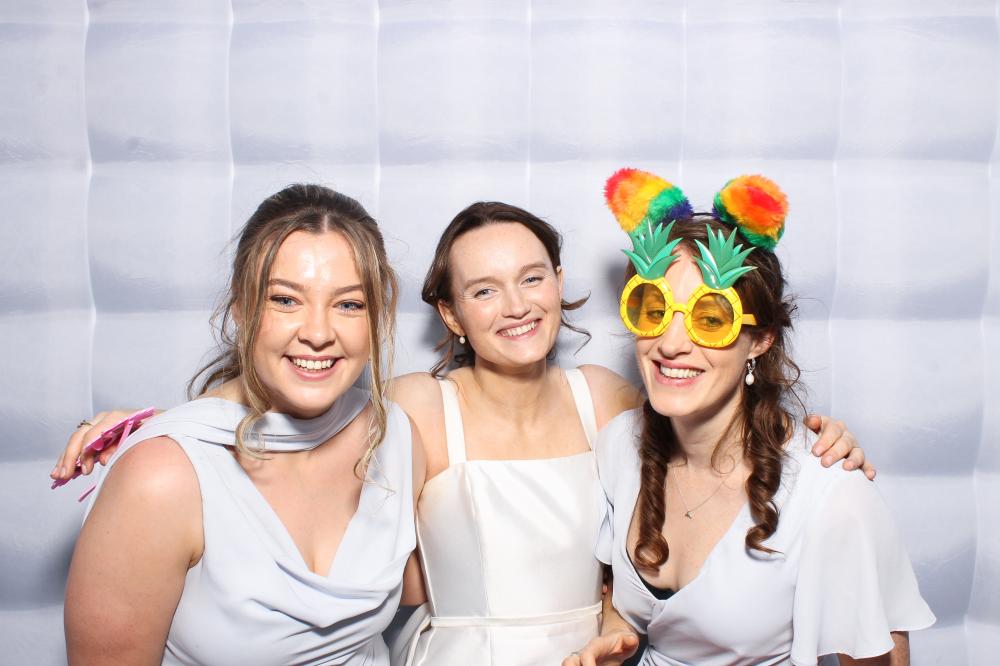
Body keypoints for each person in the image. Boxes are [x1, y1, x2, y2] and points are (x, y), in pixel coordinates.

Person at [55, 198, 868, 666]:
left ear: (559, 284)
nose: (515, 305)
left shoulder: (607, 398)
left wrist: (815, 441)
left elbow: (706, 425)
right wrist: (157, 427)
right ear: (449, 314)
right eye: (483, 290)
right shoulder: (414, 407)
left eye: (532, 277)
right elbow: (299, 397)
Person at [565, 170, 934, 666]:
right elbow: (621, 599)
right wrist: (618, 637)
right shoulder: (617, 447)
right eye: (654, 311)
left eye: (710, 319)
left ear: (760, 340)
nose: (671, 344)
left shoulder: (830, 493)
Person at [63, 184, 425, 665]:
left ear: (377, 315)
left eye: (349, 304)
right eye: (285, 300)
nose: (318, 333)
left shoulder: (394, 436)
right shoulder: (162, 477)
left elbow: (425, 586)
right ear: (241, 307)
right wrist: (161, 443)